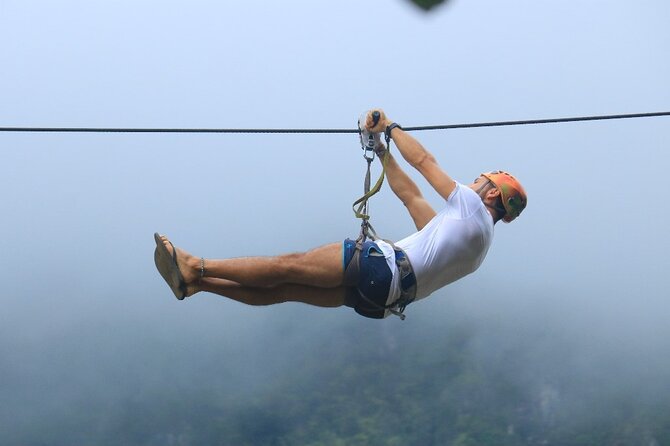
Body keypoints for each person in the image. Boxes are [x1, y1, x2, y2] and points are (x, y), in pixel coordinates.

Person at [154, 109, 527, 319]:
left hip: (382, 268)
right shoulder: (472, 239)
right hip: (382, 299)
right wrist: (381, 150)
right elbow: (411, 196)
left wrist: (391, 126)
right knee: (284, 290)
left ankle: (197, 265)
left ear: (492, 193)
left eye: (480, 179)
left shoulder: (472, 209)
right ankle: (195, 284)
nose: (472, 182)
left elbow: (425, 163)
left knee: (288, 265)